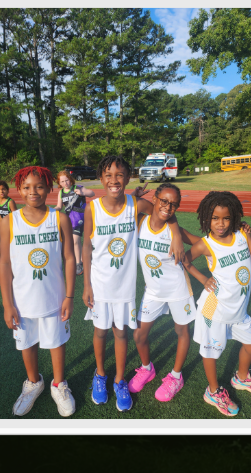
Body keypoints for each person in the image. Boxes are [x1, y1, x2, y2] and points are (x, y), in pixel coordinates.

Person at [82, 155, 180, 412]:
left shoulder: (135, 204)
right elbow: (85, 245)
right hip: (99, 285)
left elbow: (165, 212)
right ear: (101, 178)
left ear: (128, 178)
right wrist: (87, 285)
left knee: (121, 332)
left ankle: (119, 379)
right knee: (100, 331)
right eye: (108, 175)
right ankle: (100, 375)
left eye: (119, 175)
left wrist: (177, 236)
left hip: (125, 287)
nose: (114, 180)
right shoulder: (92, 208)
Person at [181, 191, 251, 416]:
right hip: (213, 309)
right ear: (206, 219)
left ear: (234, 218)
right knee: (211, 352)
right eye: (215, 218)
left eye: (226, 218)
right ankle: (213, 391)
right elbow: (185, 260)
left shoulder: (242, 234)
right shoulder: (206, 244)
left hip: (238, 310)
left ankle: (241, 378)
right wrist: (202, 279)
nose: (221, 224)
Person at [0, 165, 77, 417]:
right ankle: (34, 382)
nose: (33, 191)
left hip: (54, 299)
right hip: (22, 302)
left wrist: (69, 296)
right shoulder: (9, 221)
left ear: (49, 189)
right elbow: (6, 264)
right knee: (27, 344)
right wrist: (7, 304)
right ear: (19, 190)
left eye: (39, 186)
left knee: (57, 343)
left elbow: (68, 258)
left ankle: (58, 384)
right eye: (27, 187)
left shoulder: (59, 218)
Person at [128, 183, 199, 403]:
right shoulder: (140, 221)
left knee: (181, 331)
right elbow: (125, 206)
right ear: (155, 198)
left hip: (177, 288)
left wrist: (181, 240)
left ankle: (176, 377)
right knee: (139, 334)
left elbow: (201, 243)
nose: (168, 207)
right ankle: (147, 368)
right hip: (153, 291)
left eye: (174, 204)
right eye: (164, 201)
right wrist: (132, 194)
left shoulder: (172, 228)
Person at [51, 171, 94, 275]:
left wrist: (83, 193)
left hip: (84, 217)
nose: (65, 183)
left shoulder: (77, 187)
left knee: (90, 240)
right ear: (59, 183)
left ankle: (85, 260)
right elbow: (59, 206)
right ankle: (78, 262)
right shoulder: (61, 193)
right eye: (62, 181)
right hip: (72, 220)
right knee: (75, 241)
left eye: (67, 180)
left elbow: (92, 193)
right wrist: (51, 210)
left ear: (70, 179)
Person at [0, 179, 16, 272]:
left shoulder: (10, 202)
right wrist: (0, 226)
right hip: (3, 228)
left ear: (8, 190)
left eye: (3, 189)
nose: (1, 191)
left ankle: (12, 264)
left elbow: (16, 216)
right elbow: (1, 216)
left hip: (11, 229)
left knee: (10, 247)